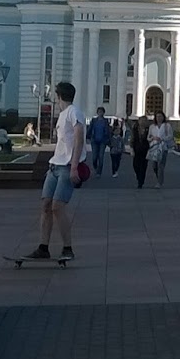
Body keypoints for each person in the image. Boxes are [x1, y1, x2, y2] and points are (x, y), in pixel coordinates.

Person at [25, 80, 86, 261]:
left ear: (59, 96)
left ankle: (68, 248)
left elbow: (79, 138)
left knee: (57, 207)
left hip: (67, 168)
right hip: (54, 167)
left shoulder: (74, 112)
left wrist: (74, 166)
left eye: (56, 95)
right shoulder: (63, 114)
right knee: (45, 205)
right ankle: (43, 248)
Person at [148, 112, 175, 186]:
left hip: (163, 147)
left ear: (163, 117)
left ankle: (159, 182)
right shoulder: (152, 126)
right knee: (154, 166)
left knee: (161, 165)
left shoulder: (167, 126)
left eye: (160, 116)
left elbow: (170, 136)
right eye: (157, 116)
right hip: (154, 147)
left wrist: (162, 139)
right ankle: (159, 178)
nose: (159, 118)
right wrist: (153, 138)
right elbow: (148, 137)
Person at [87, 106, 111, 175]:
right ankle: (95, 167)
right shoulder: (94, 120)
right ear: (97, 113)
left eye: (101, 112)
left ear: (103, 113)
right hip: (94, 140)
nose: (100, 113)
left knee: (101, 156)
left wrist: (109, 140)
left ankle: (99, 171)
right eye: (99, 112)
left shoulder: (105, 121)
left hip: (103, 141)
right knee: (94, 157)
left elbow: (108, 131)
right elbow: (90, 129)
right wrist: (87, 136)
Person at [131, 115, 151, 189]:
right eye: (141, 120)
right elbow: (132, 139)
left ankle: (141, 181)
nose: (143, 122)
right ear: (138, 121)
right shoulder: (135, 129)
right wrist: (131, 148)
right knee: (135, 165)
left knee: (143, 166)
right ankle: (138, 176)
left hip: (145, 150)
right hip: (136, 149)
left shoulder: (149, 130)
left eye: (145, 121)